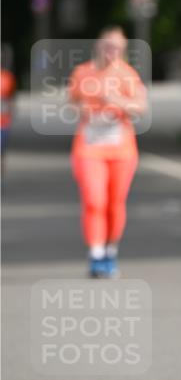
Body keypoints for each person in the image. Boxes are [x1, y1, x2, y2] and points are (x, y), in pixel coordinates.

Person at [68, 26, 147, 278]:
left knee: (114, 203)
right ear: (98, 46)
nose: (112, 51)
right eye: (107, 45)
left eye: (117, 47)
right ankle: (96, 253)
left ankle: (110, 250)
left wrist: (115, 100)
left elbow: (140, 108)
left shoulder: (128, 74)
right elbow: (73, 102)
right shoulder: (82, 72)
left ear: (123, 50)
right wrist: (85, 108)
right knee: (94, 201)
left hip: (121, 149)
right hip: (89, 147)